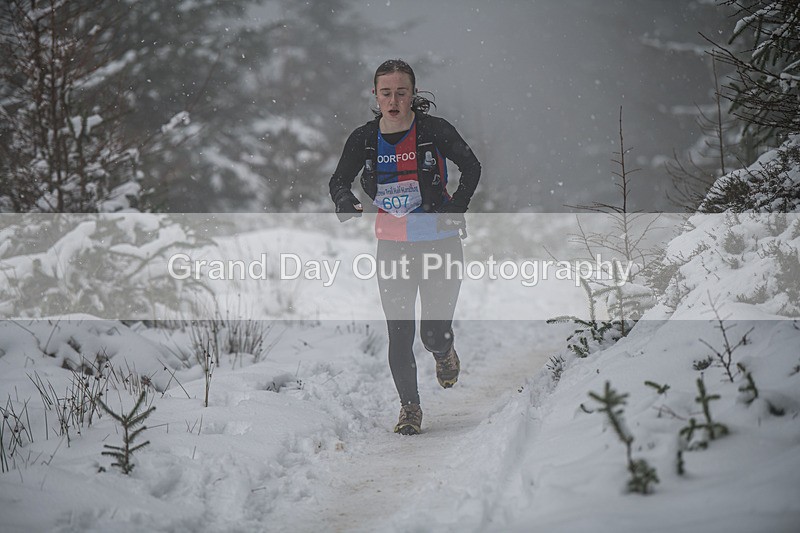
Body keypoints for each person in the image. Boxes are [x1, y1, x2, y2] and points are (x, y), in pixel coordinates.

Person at [329, 59, 481, 435]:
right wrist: (343, 201)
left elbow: (472, 166)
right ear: (375, 95)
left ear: (413, 93)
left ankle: (443, 351)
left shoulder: (434, 130)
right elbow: (338, 181)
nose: (394, 100)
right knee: (399, 333)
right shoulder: (364, 138)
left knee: (433, 333)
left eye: (401, 92)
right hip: (393, 249)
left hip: (440, 246)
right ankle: (410, 409)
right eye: (386, 93)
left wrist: (455, 209)